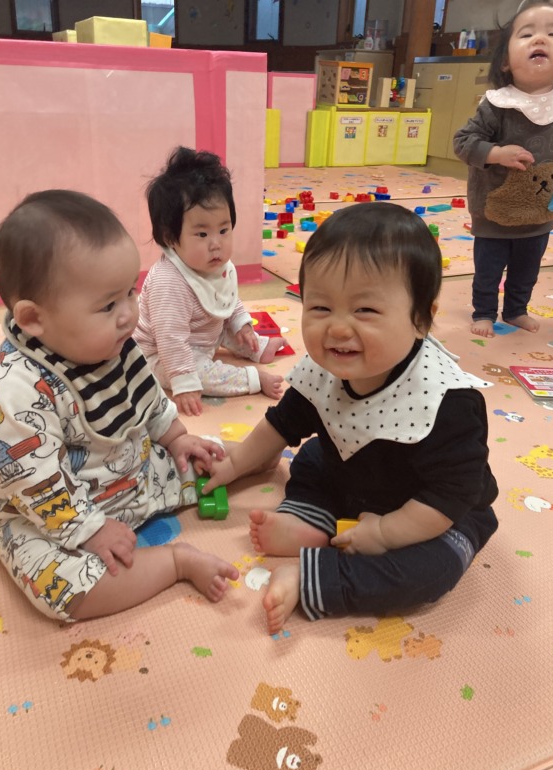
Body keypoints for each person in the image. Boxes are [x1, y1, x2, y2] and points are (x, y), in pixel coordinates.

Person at [200, 203, 499, 634]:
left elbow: (450, 495)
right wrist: (233, 465)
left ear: (421, 319)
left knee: (432, 571)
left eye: (365, 311)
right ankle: (310, 520)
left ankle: (313, 576)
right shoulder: (325, 369)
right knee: (312, 457)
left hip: (433, 511)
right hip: (352, 475)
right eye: (320, 308)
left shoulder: (445, 400)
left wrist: (386, 534)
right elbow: (280, 425)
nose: (338, 328)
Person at [0, 190, 239, 623]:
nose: (129, 314)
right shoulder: (10, 392)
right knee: (64, 590)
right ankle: (175, 563)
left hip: (135, 472)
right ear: (34, 319)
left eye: (130, 292)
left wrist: (177, 439)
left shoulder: (113, 340)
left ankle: (248, 458)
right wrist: (89, 530)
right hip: (52, 513)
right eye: (108, 305)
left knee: (218, 458)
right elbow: (36, 482)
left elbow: (149, 396)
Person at [134, 146, 287, 416]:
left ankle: (258, 347)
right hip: (162, 355)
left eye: (224, 230)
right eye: (202, 234)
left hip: (204, 337)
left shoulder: (214, 264)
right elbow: (171, 338)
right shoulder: (169, 281)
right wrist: (184, 383)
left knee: (230, 325)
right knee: (198, 374)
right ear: (170, 237)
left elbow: (226, 298)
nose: (216, 244)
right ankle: (252, 379)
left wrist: (242, 323)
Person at [453, 0, 553, 337]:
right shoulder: (498, 104)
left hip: (539, 211)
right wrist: (496, 153)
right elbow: (463, 141)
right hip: (494, 210)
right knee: (489, 268)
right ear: (505, 61)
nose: (540, 39)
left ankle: (517, 309)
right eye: (527, 34)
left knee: (527, 269)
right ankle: (484, 312)